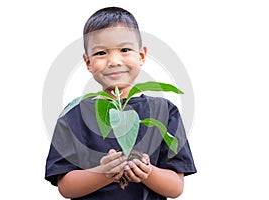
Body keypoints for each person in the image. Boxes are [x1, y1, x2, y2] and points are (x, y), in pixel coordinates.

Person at [45, 7, 196, 199]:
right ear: (88, 62)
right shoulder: (73, 114)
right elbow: (65, 187)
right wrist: (103, 173)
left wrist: (147, 172)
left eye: (125, 50)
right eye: (101, 53)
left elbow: (175, 187)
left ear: (141, 56)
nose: (114, 61)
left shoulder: (164, 111)